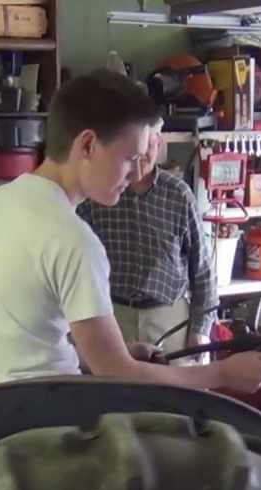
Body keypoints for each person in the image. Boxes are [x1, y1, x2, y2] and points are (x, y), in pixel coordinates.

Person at [0, 70, 261, 394]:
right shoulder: (71, 239)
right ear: (87, 145)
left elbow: (22, 343)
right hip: (44, 433)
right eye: (130, 158)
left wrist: (113, 353)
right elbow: (116, 373)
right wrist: (222, 373)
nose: (135, 174)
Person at [77, 117, 217, 356]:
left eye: (148, 147)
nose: (140, 156)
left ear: (159, 144)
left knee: (173, 391)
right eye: (134, 149)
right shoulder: (99, 194)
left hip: (169, 316)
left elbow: (203, 271)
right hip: (112, 314)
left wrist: (200, 330)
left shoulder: (178, 195)